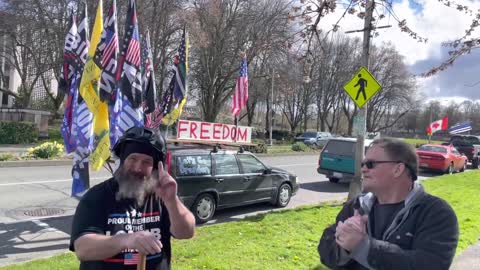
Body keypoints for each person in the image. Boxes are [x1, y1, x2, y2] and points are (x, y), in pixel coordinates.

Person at [318, 138, 458, 270]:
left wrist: (363, 247)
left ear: (398, 169)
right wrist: (344, 245)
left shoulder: (436, 213)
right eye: (363, 164)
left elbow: (430, 264)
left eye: (370, 164)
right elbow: (325, 251)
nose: (364, 169)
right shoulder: (357, 205)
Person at [70, 126, 195, 270]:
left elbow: (186, 232)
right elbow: (83, 248)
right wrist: (127, 239)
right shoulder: (97, 197)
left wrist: (172, 201)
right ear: (123, 160)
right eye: (133, 159)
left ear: (155, 167)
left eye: (146, 162)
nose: (137, 167)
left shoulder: (162, 195)